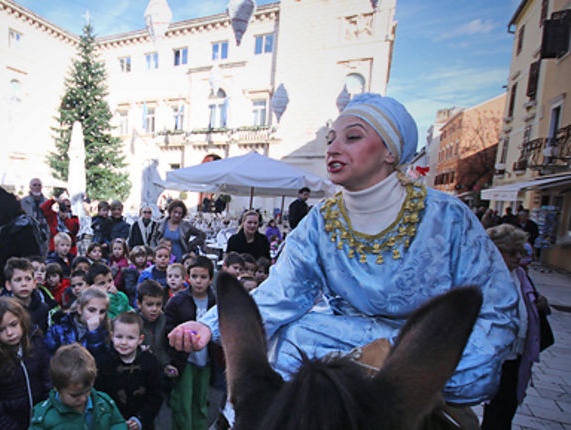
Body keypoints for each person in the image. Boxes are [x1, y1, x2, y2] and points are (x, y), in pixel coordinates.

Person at [169, 93, 519, 426]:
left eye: (352, 137)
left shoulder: (447, 216)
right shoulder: (320, 221)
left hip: (419, 353)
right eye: (331, 139)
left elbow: (497, 309)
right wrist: (210, 325)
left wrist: (433, 369)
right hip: (339, 345)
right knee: (289, 340)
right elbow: (283, 292)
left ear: (390, 151)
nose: (333, 148)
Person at [481, 225, 549, 430]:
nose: (518, 257)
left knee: (505, 406)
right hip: (488, 355)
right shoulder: (482, 274)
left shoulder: (521, 276)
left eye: (521, 252)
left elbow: (531, 302)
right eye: (512, 252)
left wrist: (541, 305)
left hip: (516, 354)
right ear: (495, 250)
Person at [0, 297, 52, 430]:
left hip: (40, 418)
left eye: (13, 324)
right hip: (10, 423)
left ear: (22, 321)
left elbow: (48, 379)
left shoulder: (35, 342)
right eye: (1, 330)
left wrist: (46, 413)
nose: (10, 333)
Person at [164, 256, 218, 430]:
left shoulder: (215, 302)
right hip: (184, 359)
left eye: (203, 277)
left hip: (206, 359)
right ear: (188, 277)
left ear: (211, 279)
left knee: (201, 401)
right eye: (194, 276)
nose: (198, 281)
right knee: (183, 402)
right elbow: (167, 329)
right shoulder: (178, 301)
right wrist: (171, 359)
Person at [29, 344, 127, 430]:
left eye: (87, 391)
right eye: (75, 395)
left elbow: (117, 423)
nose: (83, 399)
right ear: (57, 388)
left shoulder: (103, 403)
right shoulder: (44, 417)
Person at [94, 312, 163, 430]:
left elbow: (156, 396)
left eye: (130, 338)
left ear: (140, 339)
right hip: (113, 423)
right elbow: (99, 395)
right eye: (119, 337)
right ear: (112, 336)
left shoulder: (150, 362)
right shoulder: (104, 363)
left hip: (142, 423)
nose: (124, 342)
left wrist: (141, 418)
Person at [45, 288, 110, 356]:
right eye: (91, 310)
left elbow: (101, 358)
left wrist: (94, 335)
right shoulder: (60, 327)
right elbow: (49, 353)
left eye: (102, 312)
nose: (97, 316)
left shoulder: (105, 331)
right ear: (79, 309)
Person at [4, 257, 55, 336]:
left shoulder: (43, 308)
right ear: (8, 285)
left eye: (28, 279)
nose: (24, 284)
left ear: (34, 283)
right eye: (18, 280)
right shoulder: (4, 310)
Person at [137, 280, 170, 370]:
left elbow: (162, 347)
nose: (154, 309)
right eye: (149, 305)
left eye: (158, 304)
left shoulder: (164, 320)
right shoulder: (133, 322)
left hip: (160, 367)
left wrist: (166, 364)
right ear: (139, 304)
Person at [21, 178, 52, 256]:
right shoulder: (23, 202)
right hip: (28, 235)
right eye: (34, 185)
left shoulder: (47, 202)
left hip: (44, 235)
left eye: (39, 185)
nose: (37, 187)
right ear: (30, 187)